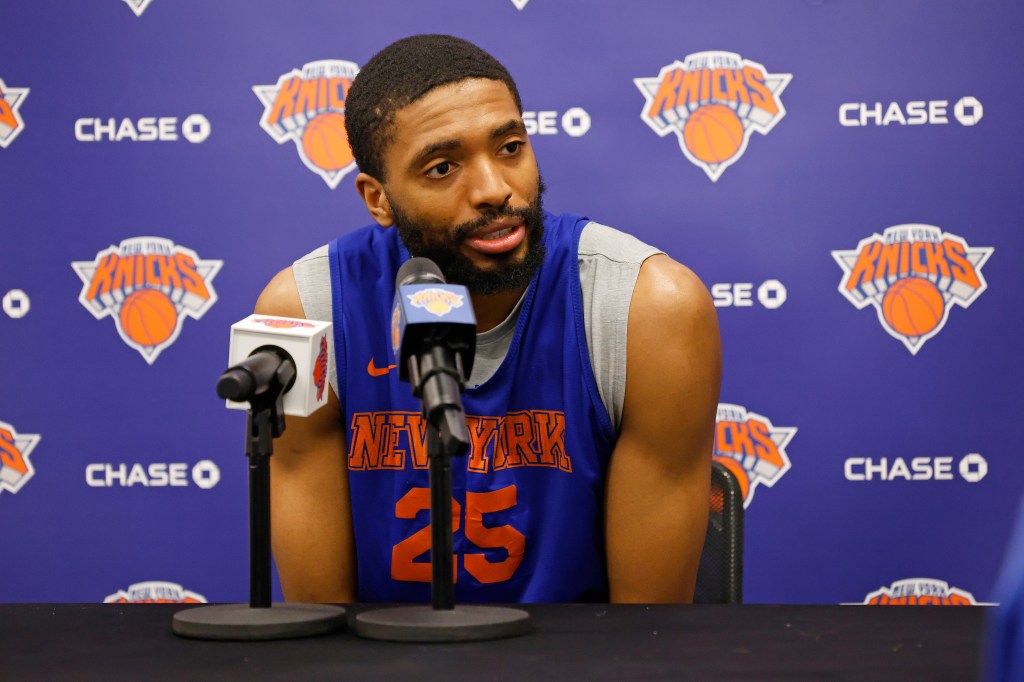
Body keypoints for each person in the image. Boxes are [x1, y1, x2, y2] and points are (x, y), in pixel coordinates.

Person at [255, 34, 721, 604]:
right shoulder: (305, 312)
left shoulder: (648, 306)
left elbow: (644, 632)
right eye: (443, 167)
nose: (496, 190)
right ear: (378, 199)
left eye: (509, 148)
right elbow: (319, 626)